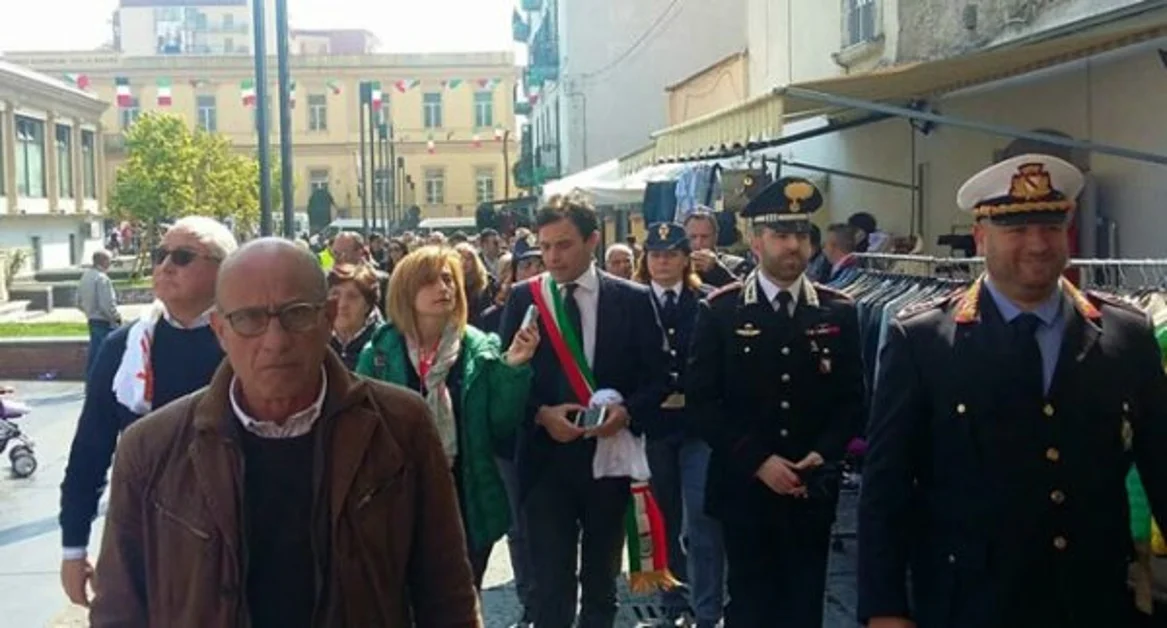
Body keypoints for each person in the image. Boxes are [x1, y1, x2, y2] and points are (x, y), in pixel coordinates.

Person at [90, 238, 482, 627]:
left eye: (296, 314)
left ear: (329, 317)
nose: (275, 342)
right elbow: (118, 612)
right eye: (249, 319)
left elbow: (447, 595)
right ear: (220, 330)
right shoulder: (152, 448)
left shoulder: (400, 426)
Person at [858, 154, 1167, 628]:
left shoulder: (1125, 333)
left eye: (1051, 228)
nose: (1038, 244)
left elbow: (1161, 462)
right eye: (1017, 229)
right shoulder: (923, 340)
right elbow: (886, 485)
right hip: (972, 602)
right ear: (981, 237)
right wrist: (885, 608)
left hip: (1093, 600)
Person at [687, 177, 865, 627]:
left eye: (802, 235)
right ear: (756, 241)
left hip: (811, 487)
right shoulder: (722, 311)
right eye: (781, 235)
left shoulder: (838, 309)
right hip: (745, 486)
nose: (793, 246)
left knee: (804, 606)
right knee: (750, 606)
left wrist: (821, 454)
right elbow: (703, 403)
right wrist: (759, 461)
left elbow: (852, 400)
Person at [498, 194, 669, 628]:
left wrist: (627, 413)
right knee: (550, 589)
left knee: (601, 585)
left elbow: (659, 378)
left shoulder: (632, 299)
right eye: (545, 246)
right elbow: (504, 379)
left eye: (564, 245)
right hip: (545, 463)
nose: (552, 257)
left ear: (593, 241)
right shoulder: (524, 298)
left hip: (608, 463)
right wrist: (541, 415)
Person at [59, 217, 237, 607]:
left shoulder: (247, 342)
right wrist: (74, 547)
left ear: (224, 269)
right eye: (160, 255)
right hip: (145, 536)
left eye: (183, 256)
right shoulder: (125, 348)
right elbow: (90, 451)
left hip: (238, 538)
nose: (165, 265)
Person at [357, 245, 538, 589]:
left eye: (448, 279)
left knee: (462, 597)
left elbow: (500, 425)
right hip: (401, 500)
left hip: (466, 497)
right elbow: (364, 430)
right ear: (406, 291)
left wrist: (513, 368)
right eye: (429, 281)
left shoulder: (479, 348)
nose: (443, 288)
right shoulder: (380, 352)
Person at [633, 222, 724, 628]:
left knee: (703, 515)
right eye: (655, 254)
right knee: (662, 513)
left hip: (698, 424)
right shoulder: (632, 302)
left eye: (671, 254)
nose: (663, 262)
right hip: (653, 425)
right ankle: (671, 592)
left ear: (686, 259)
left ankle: (708, 608)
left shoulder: (707, 300)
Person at [327, 263, 384, 370]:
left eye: (352, 296)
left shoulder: (383, 344)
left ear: (367, 305)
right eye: (335, 294)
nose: (342, 304)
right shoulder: (317, 339)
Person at [76, 249, 121, 375]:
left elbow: (78, 302)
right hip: (104, 322)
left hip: (92, 320)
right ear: (104, 261)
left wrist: (89, 311)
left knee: (94, 355)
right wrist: (116, 318)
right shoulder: (102, 278)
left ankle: (91, 381)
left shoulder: (85, 276)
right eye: (110, 260)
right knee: (106, 356)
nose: (111, 263)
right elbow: (106, 304)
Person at [683, 209, 751, 287]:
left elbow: (743, 292)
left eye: (705, 237)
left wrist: (716, 270)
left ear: (715, 236)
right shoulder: (676, 267)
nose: (698, 242)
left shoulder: (737, 265)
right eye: (693, 237)